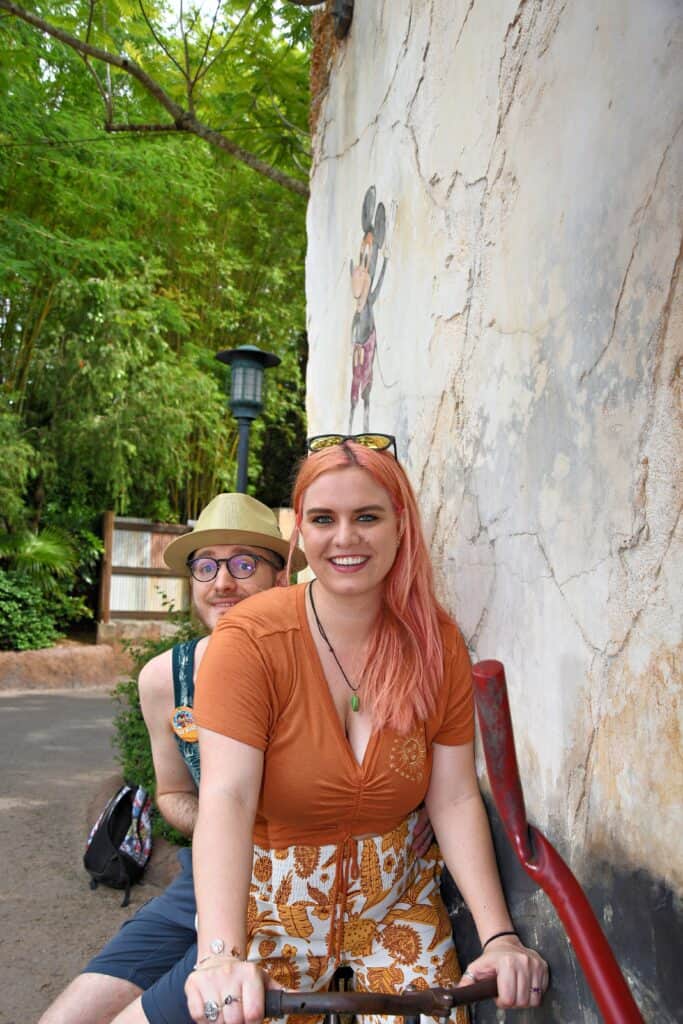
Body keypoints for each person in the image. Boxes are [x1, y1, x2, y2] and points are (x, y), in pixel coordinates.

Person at [185, 434, 549, 1024]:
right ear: (300, 530)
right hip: (271, 906)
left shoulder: (436, 644)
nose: (345, 538)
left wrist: (499, 938)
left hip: (396, 899)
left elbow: (454, 795)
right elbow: (227, 795)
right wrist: (220, 955)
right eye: (324, 518)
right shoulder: (250, 640)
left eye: (368, 517)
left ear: (400, 525)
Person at [41, 491, 434, 1024]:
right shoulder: (166, 678)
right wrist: (226, 830)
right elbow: (175, 792)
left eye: (243, 563)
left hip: (292, 897)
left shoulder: (326, 661)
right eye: (206, 566)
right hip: (201, 880)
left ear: (281, 578)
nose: (222, 582)